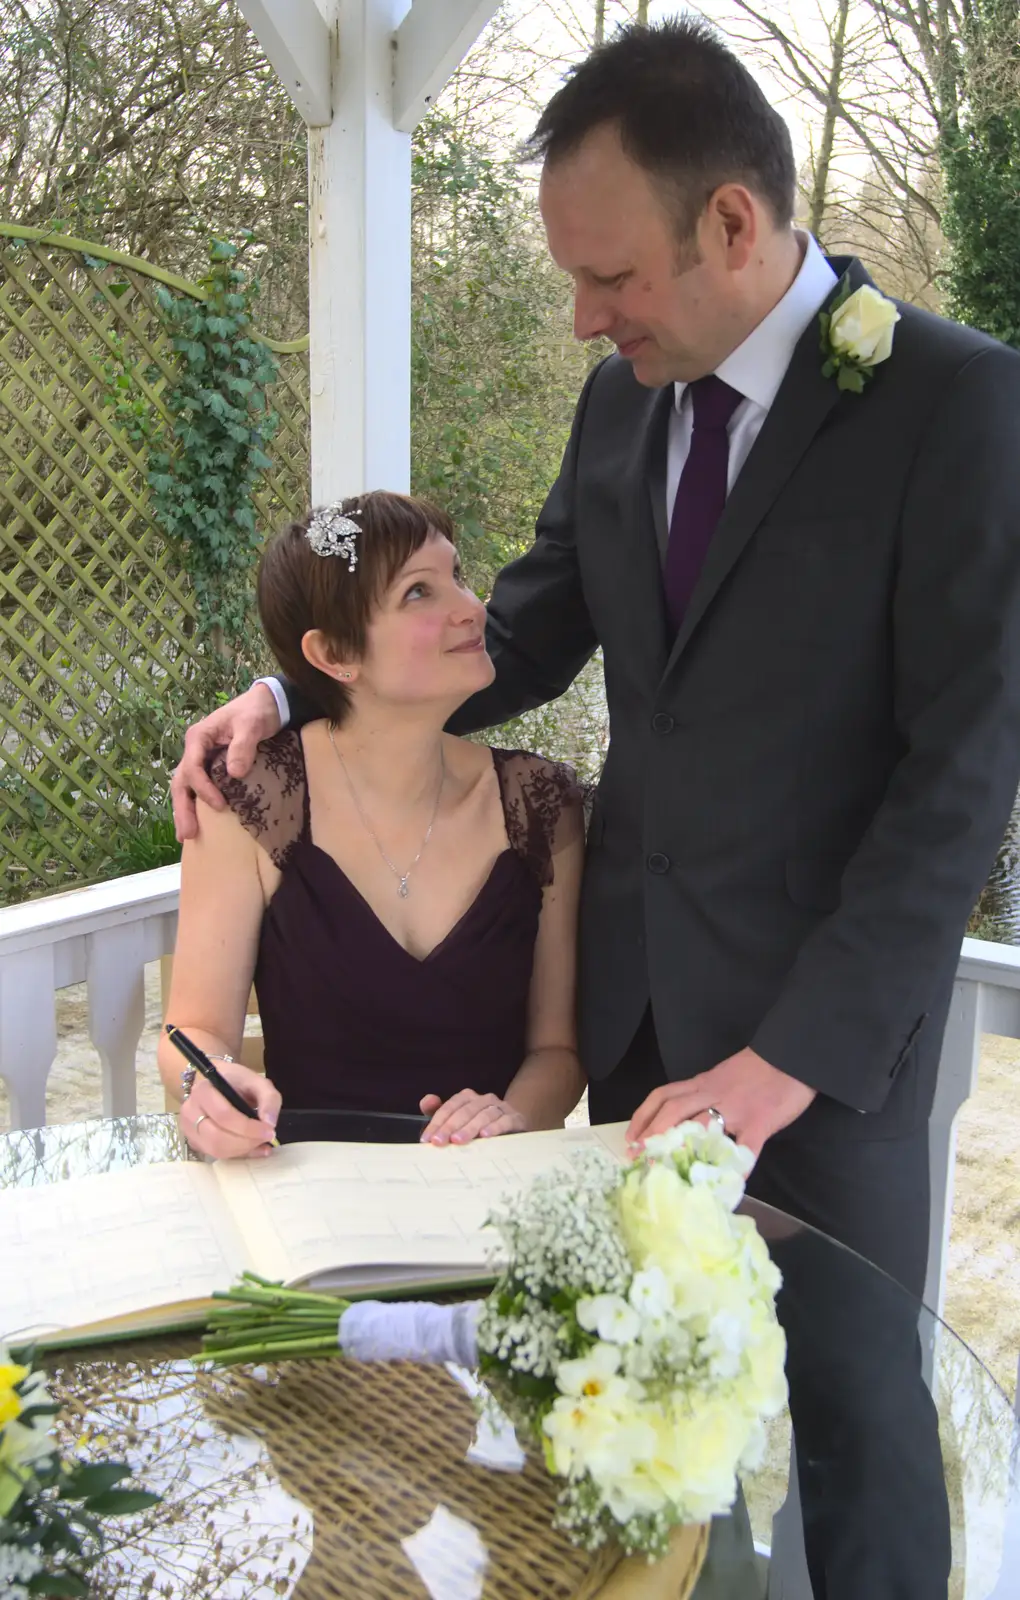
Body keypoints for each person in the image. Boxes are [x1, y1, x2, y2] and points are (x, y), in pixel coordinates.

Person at [171, 18, 1020, 1596]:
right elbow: (531, 622)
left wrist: (789, 1061)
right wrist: (294, 698)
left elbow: (958, 782)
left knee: (850, 1414)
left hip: (821, 1050)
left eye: (609, 278)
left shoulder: (960, 407)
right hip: (626, 1008)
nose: (580, 316)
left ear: (733, 224)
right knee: (607, 1405)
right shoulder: (624, 401)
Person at [159, 490, 585, 1160]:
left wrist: (511, 1116)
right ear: (333, 654)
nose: (472, 607)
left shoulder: (540, 803)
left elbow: (558, 1051)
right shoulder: (247, 800)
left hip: (490, 1200)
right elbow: (195, 1030)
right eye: (419, 593)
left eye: (459, 576)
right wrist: (206, 1084)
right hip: (307, 1205)